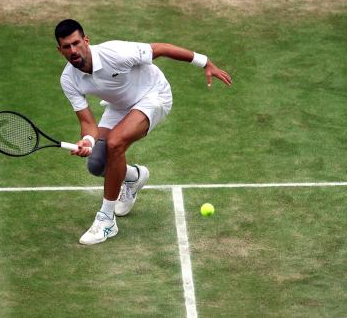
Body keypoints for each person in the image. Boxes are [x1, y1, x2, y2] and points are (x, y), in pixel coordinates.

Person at [55, 19, 232, 245]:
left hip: (153, 95)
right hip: (119, 107)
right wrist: (88, 140)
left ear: (86, 41)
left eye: (76, 43)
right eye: (67, 47)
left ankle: (106, 220)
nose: (73, 51)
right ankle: (134, 177)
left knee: (115, 143)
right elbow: (88, 122)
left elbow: (160, 49)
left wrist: (205, 62)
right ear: (59, 50)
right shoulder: (68, 79)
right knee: (97, 164)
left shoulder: (115, 53)